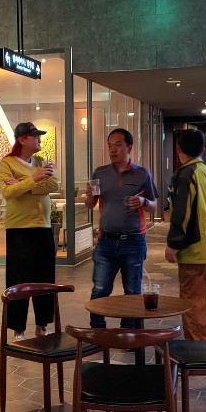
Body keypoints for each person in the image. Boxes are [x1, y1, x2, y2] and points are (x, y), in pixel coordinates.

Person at [84, 128, 157, 329]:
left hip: (134, 241)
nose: (112, 150)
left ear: (129, 147)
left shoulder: (142, 174)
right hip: (106, 242)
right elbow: (90, 205)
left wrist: (143, 201)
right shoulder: (100, 173)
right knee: (100, 289)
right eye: (110, 146)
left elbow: (154, 206)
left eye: (118, 145)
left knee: (132, 291)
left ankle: (129, 333)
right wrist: (89, 195)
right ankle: (97, 332)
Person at [0, 122, 60, 341]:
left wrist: (23, 184)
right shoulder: (7, 163)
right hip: (19, 229)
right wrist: (34, 179)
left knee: (45, 279)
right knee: (19, 280)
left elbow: (54, 185)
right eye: (34, 136)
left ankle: (42, 325)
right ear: (22, 139)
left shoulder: (41, 161)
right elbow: (8, 192)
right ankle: (18, 330)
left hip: (43, 226)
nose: (39, 139)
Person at [165, 129, 206, 341]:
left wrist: (173, 245)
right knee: (204, 305)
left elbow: (181, 214)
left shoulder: (185, 175)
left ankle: (196, 352)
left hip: (194, 251)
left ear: (178, 148)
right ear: (202, 150)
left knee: (192, 306)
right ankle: (203, 346)